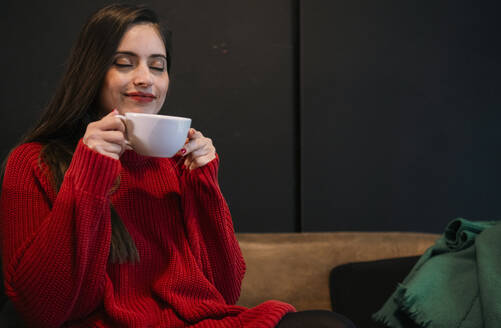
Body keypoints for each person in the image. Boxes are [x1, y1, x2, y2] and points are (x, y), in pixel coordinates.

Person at [0, 4, 355, 328]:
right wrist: (90, 173)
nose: (146, 79)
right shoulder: (33, 162)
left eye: (157, 65)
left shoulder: (174, 164)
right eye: (124, 63)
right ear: (91, 73)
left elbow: (222, 292)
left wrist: (205, 185)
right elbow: (42, 310)